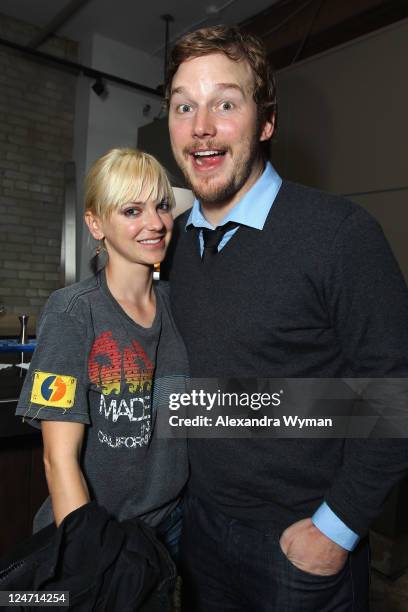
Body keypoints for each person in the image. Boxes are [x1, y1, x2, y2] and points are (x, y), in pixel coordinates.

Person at [163, 25, 408, 611]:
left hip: (298, 547)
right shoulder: (172, 248)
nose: (201, 126)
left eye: (225, 102)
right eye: (183, 106)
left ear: (266, 121)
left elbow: (392, 391)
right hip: (197, 532)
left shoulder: (340, 235)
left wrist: (337, 527)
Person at [16, 147, 189, 562]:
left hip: (173, 525)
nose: (155, 223)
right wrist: (91, 562)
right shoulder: (73, 311)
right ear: (95, 224)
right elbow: (59, 460)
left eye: (162, 206)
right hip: (99, 535)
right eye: (131, 211)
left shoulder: (179, 303)